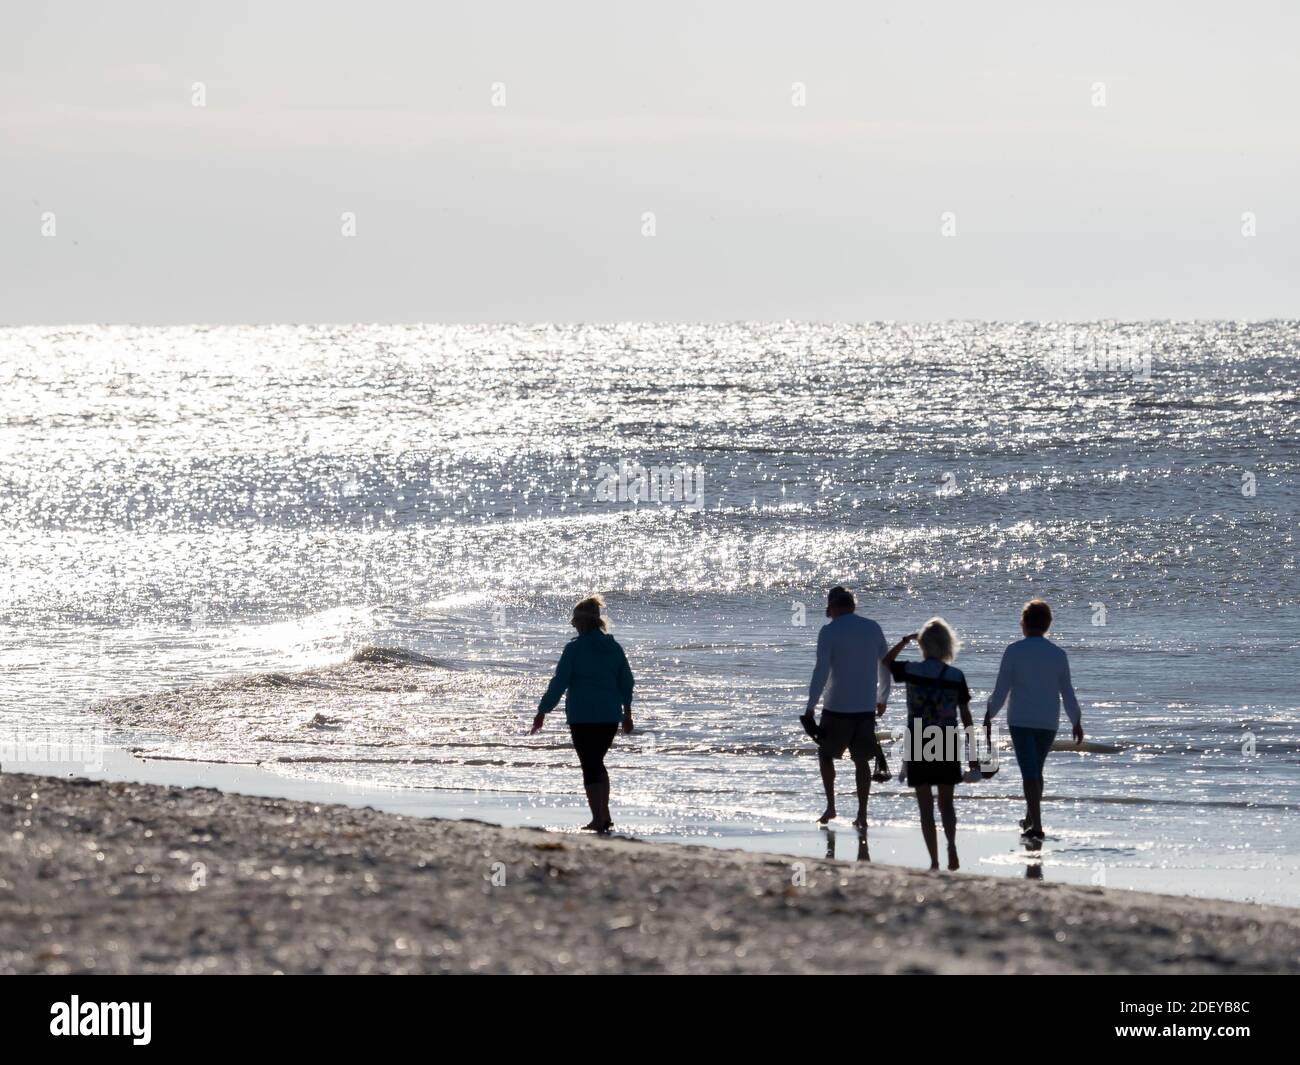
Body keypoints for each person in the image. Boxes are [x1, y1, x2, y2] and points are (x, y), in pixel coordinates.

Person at [531, 595, 634, 834]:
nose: (573, 625)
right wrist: (627, 713)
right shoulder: (614, 647)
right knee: (597, 763)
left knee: (590, 764)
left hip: (583, 716)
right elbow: (626, 682)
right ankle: (604, 815)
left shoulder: (574, 649)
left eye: (575, 621)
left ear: (584, 623)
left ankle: (598, 819)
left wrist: (542, 710)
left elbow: (559, 683)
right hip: (609, 716)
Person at [984, 599, 1083, 841]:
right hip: (1048, 721)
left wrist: (989, 714)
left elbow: (1001, 689)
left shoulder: (1014, 651)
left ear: (1024, 623)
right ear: (1047, 624)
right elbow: (1067, 691)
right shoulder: (1058, 654)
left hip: (1020, 720)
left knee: (1030, 772)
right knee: (1035, 770)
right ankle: (1030, 817)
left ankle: (1036, 826)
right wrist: (1076, 720)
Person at [883, 618, 976, 871]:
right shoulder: (956, 675)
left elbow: (886, 662)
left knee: (925, 806)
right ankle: (952, 846)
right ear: (948, 645)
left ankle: (934, 861)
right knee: (947, 803)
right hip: (945, 738)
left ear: (923, 645)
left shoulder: (912, 670)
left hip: (918, 739)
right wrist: (973, 754)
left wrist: (904, 641)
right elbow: (966, 715)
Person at [802, 585, 892, 829]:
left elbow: (821, 670)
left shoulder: (829, 631)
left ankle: (831, 806)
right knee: (861, 760)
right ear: (852, 605)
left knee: (825, 755)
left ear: (832, 607)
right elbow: (886, 665)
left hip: (837, 706)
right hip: (865, 707)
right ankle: (862, 814)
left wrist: (811, 705)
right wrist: (883, 697)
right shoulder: (872, 627)